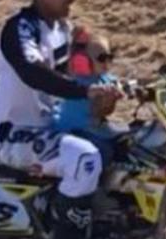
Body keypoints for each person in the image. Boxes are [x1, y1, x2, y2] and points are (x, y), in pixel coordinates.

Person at [0, 0, 120, 239]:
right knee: (85, 158)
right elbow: (34, 73)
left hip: (51, 129)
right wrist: (84, 91)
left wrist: (107, 92)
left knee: (123, 147)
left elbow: (82, 73)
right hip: (16, 135)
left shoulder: (62, 30)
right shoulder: (20, 29)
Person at [52, 28, 126, 166]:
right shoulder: (81, 83)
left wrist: (124, 88)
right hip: (75, 130)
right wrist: (110, 99)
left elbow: (115, 82)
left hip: (92, 127)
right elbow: (97, 111)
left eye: (109, 57)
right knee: (104, 153)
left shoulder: (103, 77)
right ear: (83, 61)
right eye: (101, 58)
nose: (106, 62)